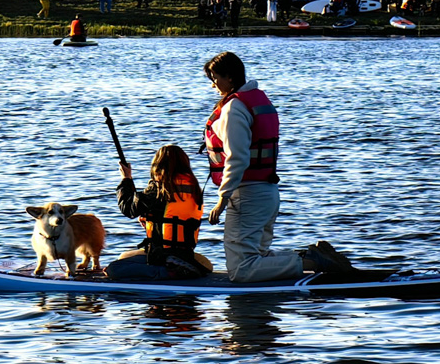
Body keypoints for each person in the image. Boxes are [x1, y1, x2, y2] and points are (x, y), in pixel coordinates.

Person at [202, 51, 353, 282]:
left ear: (230, 77)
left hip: (247, 195)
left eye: (215, 78)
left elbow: (237, 158)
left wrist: (223, 198)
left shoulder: (234, 108)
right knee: (258, 256)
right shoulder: (258, 100)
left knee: (242, 269)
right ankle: (312, 258)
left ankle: (313, 261)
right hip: (267, 193)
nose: (213, 85)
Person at [106, 145, 214, 282]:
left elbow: (128, 209)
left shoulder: (158, 188)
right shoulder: (193, 188)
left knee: (114, 269)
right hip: (185, 253)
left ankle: (168, 272)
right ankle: (181, 267)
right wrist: (150, 219)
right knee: (124, 256)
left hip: (162, 255)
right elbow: (173, 215)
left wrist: (126, 179)